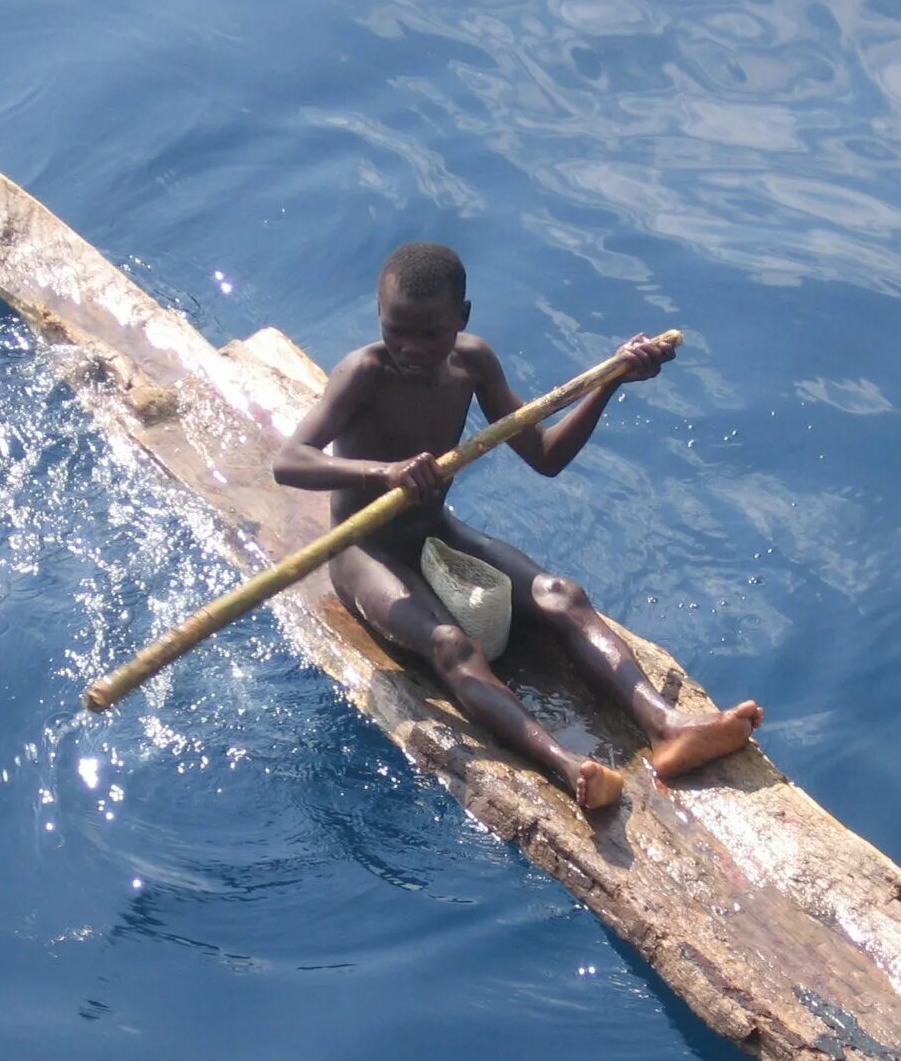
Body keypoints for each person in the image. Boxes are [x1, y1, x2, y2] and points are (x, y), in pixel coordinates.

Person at [273, 242, 763, 809]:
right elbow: (290, 461)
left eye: (430, 334)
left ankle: (665, 724)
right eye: (395, 330)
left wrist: (610, 382)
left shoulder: (473, 362)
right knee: (451, 644)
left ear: (462, 320)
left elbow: (546, 455)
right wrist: (383, 473)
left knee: (562, 595)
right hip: (365, 551)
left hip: (434, 531)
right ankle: (569, 767)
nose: (410, 348)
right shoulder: (363, 372)